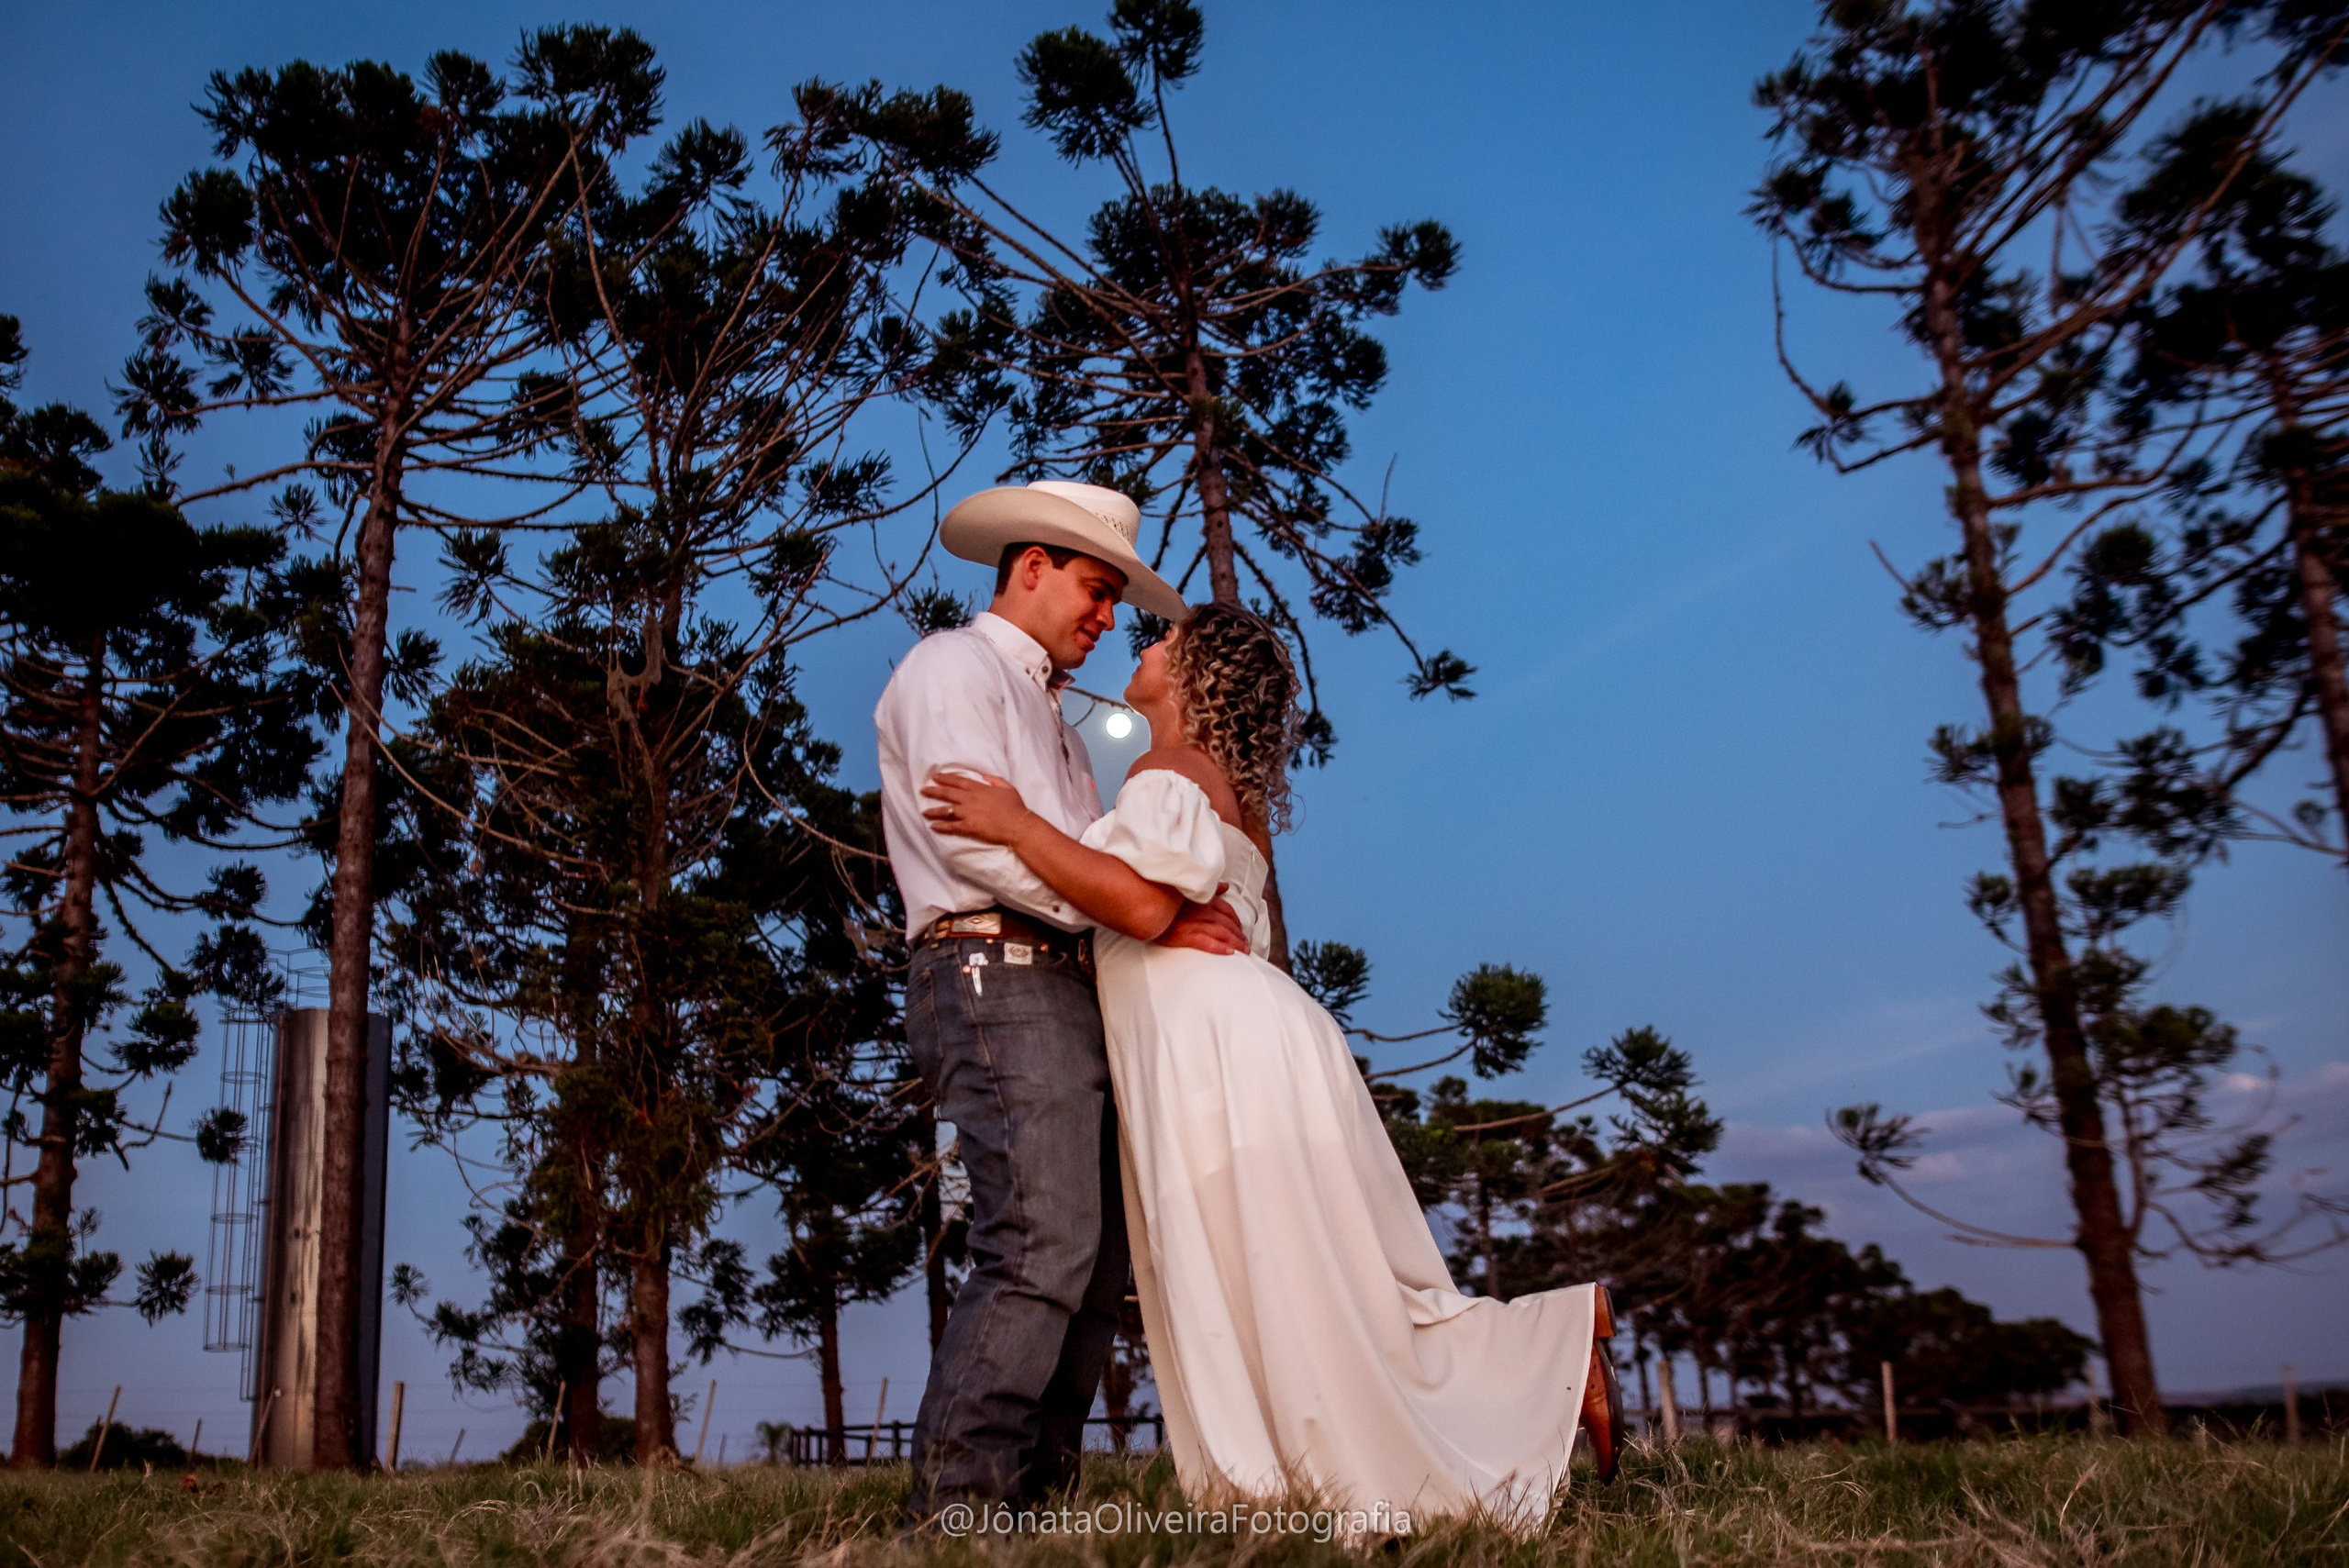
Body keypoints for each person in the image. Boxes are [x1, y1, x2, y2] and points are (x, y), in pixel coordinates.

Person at [921, 601, 1625, 1528]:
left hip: (1216, 1054)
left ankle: (1357, 1448)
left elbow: (1133, 904)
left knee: (1280, 1278)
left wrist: (1013, 823)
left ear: (1195, 676)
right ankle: (1552, 1344)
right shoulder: (1226, 790)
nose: (1143, 644)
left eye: (1164, 639)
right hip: (1250, 1038)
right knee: (1319, 1280)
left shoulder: (1167, 769)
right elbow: (1164, 904)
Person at [875, 480, 1244, 1518]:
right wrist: (1137, 911)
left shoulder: (1064, 734)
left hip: (1063, 982)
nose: (1107, 614)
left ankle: (1036, 1502)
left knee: (1092, 1262)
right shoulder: (951, 666)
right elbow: (968, 841)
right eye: (1093, 586)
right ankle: (955, 1511)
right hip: (990, 968)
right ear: (1028, 567)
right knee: (1037, 1240)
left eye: (1115, 598)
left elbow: (1083, 871)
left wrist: (1125, 906)